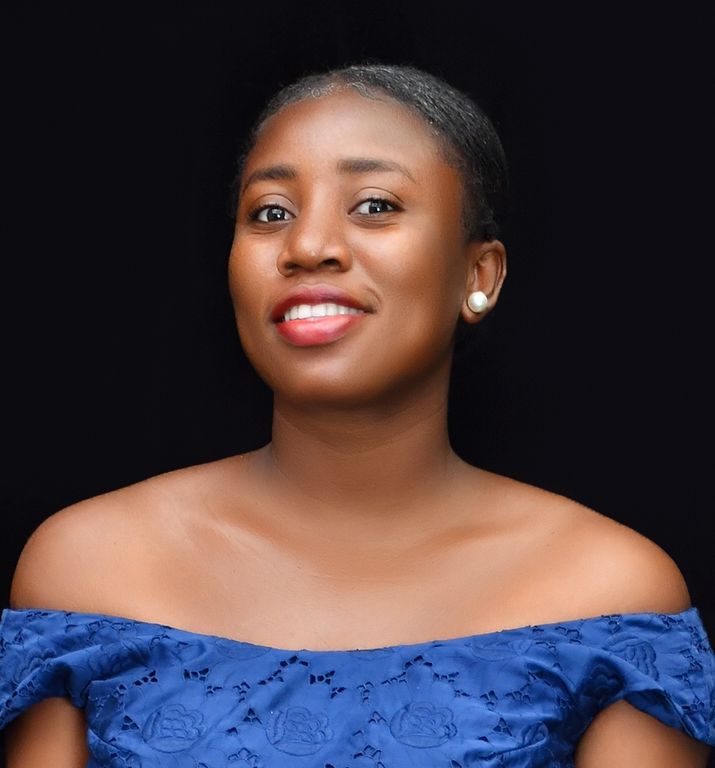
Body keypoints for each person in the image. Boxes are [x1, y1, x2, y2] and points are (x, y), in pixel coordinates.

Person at [0, 63, 712, 767]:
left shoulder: (606, 594)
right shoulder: (89, 570)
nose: (308, 247)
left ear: (479, 275)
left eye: (374, 205)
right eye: (270, 213)